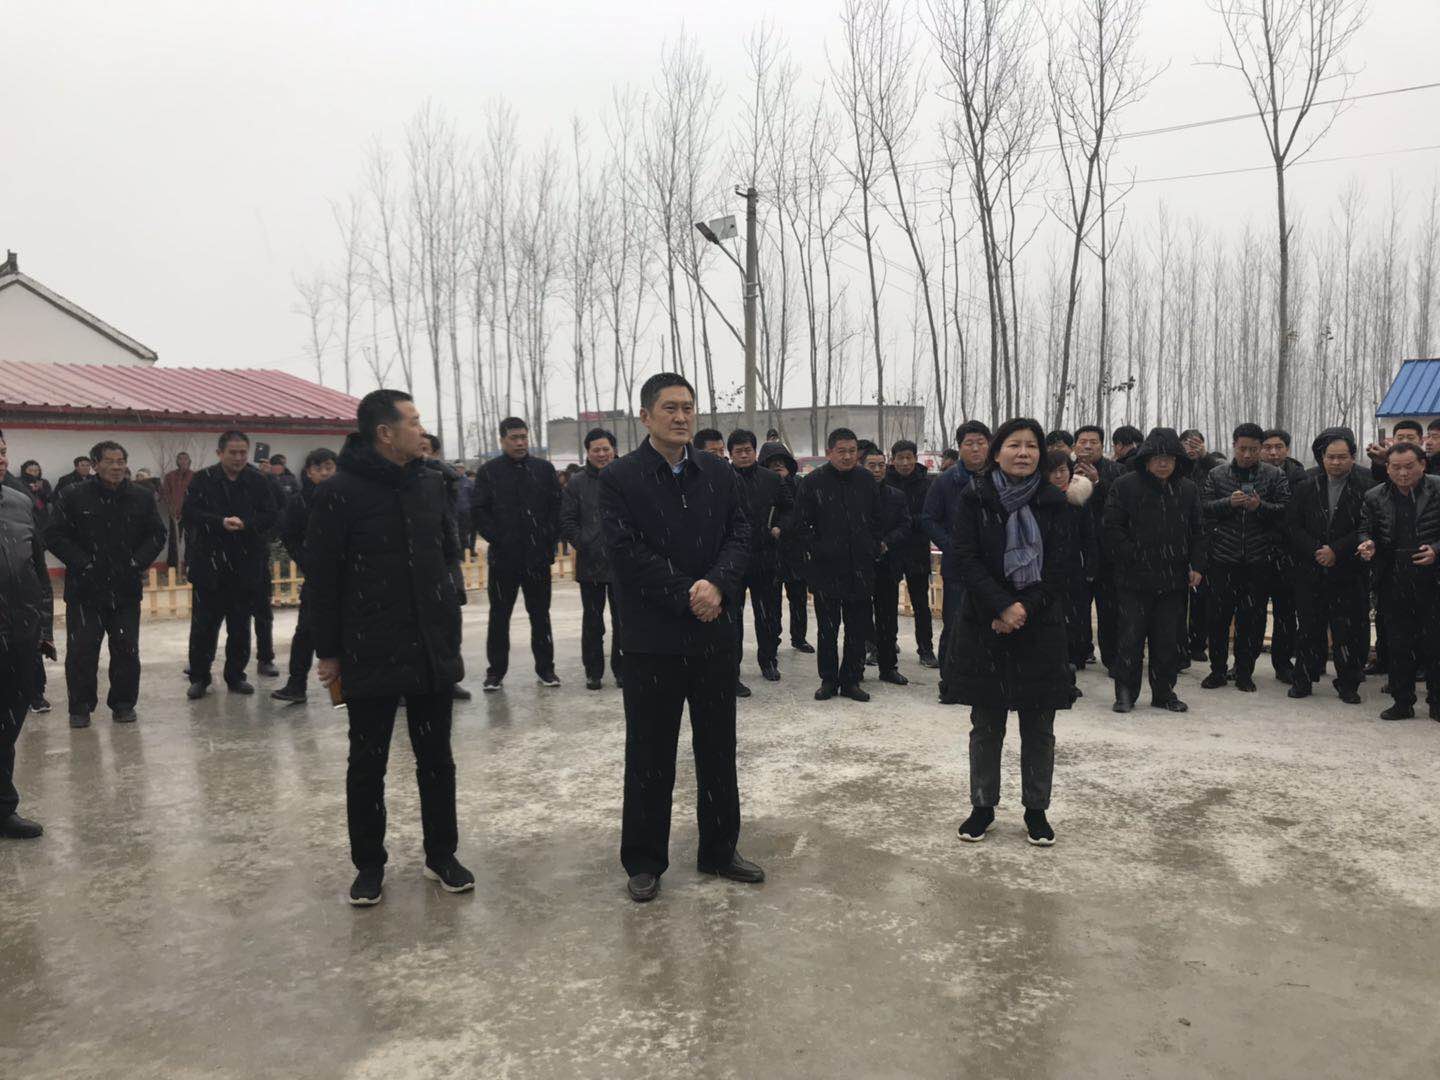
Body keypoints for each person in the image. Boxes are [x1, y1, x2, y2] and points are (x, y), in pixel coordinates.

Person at [305, 390, 472, 905]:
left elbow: (447, 554)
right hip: (370, 646)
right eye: (413, 422)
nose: (422, 430)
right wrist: (328, 652)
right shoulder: (338, 492)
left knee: (436, 758)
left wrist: (448, 623)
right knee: (367, 762)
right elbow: (322, 580)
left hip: (430, 645)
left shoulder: (430, 482)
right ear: (385, 432)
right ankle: (369, 865)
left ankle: (441, 854)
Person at [599, 372, 760, 904]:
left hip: (713, 635)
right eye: (669, 407)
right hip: (652, 640)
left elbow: (741, 533)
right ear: (646, 416)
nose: (681, 416)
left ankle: (719, 850)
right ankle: (645, 860)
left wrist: (718, 584)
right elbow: (624, 552)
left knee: (717, 749)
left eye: (688, 407)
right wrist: (687, 592)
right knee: (650, 754)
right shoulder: (620, 477)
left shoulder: (717, 471)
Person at [950, 419, 1073, 848]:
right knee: (986, 724)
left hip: (1040, 628)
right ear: (997, 451)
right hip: (987, 626)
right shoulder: (975, 497)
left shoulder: (1054, 502)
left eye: (1032, 446)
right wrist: (1002, 605)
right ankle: (982, 806)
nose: (1023, 453)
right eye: (1014, 445)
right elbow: (965, 559)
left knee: (1039, 727)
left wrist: (1023, 609)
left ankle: (1036, 810)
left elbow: (1060, 568)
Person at [44, 441, 166, 728]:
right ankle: (80, 707)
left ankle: (123, 704)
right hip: (85, 590)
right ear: (95, 464)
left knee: (126, 650)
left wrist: (137, 562)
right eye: (109, 461)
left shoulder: (141, 496)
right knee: (82, 651)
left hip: (125, 589)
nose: (116, 467)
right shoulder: (73, 495)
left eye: (121, 461)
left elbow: (157, 535)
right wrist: (83, 563)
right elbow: (54, 535)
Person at [1103, 429, 1206, 714]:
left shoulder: (1187, 489)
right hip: (1133, 579)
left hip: (1173, 579)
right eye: (1158, 458)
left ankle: (1164, 692)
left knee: (1167, 641)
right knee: (1130, 639)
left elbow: (1198, 531)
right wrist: (1134, 555)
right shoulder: (1125, 486)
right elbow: (1112, 527)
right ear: (1146, 459)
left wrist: (1197, 565)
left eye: (1169, 458)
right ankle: (1125, 692)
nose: (1163, 463)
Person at [182, 430, 279, 698]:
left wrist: (247, 524)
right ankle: (200, 677)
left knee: (240, 626)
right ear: (220, 453)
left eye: (242, 453)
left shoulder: (257, 481)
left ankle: (236, 676)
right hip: (209, 563)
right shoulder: (203, 479)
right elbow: (189, 513)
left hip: (246, 563)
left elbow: (271, 515)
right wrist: (219, 522)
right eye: (232, 452)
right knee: (204, 626)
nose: (238, 458)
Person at [1198, 424, 1291, 693]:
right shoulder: (1217, 474)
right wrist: (1228, 503)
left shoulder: (1274, 475)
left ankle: (1244, 672)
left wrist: (1260, 507)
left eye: (1253, 449)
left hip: (1258, 560)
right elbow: (1204, 508)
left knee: (1251, 620)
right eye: (1242, 449)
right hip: (1222, 558)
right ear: (1233, 446)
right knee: (1218, 618)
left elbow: (1286, 510)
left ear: (1260, 448)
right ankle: (1217, 670)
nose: (1247, 455)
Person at [473, 417, 562, 691]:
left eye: (524, 437)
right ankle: (495, 672)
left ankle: (546, 669)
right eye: (514, 438)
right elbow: (479, 511)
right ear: (502, 440)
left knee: (540, 616)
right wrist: (500, 538)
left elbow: (556, 508)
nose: (520, 442)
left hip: (537, 558)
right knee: (499, 617)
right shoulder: (489, 472)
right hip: (504, 559)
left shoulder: (544, 470)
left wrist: (547, 541)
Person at [794, 428, 883, 702]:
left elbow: (877, 519)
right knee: (828, 629)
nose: (847, 457)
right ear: (829, 452)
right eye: (841, 451)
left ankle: (851, 680)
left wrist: (871, 546)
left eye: (852, 451)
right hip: (826, 569)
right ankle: (829, 680)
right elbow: (800, 524)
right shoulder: (813, 482)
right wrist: (819, 548)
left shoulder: (866, 480)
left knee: (857, 628)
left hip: (860, 568)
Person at [1285, 428, 1369, 704]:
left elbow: (1367, 527)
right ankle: (1303, 678)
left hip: (1349, 570)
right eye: (1330, 457)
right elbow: (1293, 526)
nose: (1335, 462)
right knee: (1309, 627)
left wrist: (1337, 550)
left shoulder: (1367, 486)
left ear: (1353, 457)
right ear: (1322, 458)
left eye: (1342, 457)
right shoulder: (1306, 486)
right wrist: (1317, 550)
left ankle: (1348, 682)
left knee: (1347, 630)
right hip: (1311, 568)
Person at [1358, 441, 1440, 722]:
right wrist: (1367, 544)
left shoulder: (1437, 489)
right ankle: (1402, 701)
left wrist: (1436, 550)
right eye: (1395, 467)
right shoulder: (1375, 496)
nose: (1402, 473)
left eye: (1409, 466)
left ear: (1423, 465)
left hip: (1432, 579)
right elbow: (1365, 529)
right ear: (1387, 468)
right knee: (1398, 644)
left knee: (1435, 643)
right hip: (1393, 578)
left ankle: (1437, 701)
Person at [0, 428, 56, 840]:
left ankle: (4, 807)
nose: (0, 459)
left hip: (19, 634)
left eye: (2, 451)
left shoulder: (18, 502)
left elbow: (37, 571)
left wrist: (44, 628)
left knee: (8, 725)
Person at [922, 421, 991, 701]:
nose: (975, 449)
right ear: (959, 447)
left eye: (981, 443)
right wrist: (952, 546)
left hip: (992, 566)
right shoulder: (946, 481)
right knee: (955, 624)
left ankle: (984, 680)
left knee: (989, 623)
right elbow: (928, 519)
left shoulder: (1000, 477)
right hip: (958, 566)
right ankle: (950, 682)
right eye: (969, 444)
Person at [270, 447, 338, 705]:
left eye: (329, 467)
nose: (325, 473)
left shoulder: (347, 497)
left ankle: (345, 692)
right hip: (317, 578)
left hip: (348, 577)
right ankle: (296, 684)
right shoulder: (299, 502)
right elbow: (289, 535)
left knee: (348, 635)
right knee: (306, 632)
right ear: (309, 472)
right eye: (318, 468)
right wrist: (306, 560)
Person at [727, 428, 791, 695]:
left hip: (765, 556)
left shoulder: (771, 479)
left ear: (755, 451)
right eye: (738, 451)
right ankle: (731, 670)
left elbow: (789, 508)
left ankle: (768, 660)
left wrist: (779, 527)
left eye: (748, 450)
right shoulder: (722, 479)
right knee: (731, 618)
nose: (744, 455)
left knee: (768, 615)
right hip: (732, 558)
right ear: (730, 454)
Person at [559, 427, 623, 691]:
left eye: (606, 449)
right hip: (590, 564)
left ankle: (622, 670)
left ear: (614, 450)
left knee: (623, 621)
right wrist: (583, 542)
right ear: (587, 452)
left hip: (622, 563)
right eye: (596, 450)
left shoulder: (625, 477)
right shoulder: (577, 483)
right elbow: (567, 519)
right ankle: (593, 672)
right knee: (593, 622)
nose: (601, 454)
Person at [419, 433, 472, 702]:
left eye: (425, 449)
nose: (420, 453)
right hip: (419, 560)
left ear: (436, 453)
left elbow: (452, 476)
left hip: (446, 557)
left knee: (450, 621)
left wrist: (425, 461)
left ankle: (450, 679)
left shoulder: (443, 478)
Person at [1042, 451, 1098, 678]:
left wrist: (1091, 566)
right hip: (1046, 568)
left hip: (1074, 568)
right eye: (1053, 471)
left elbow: (1089, 536)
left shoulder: (1079, 499)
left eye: (1062, 470)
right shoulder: (1040, 499)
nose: (1058, 476)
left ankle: (1075, 659)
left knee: (1076, 616)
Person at [863, 443, 913, 685]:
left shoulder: (896, 496)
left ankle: (888, 666)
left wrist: (886, 542)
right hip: (861, 565)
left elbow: (906, 525)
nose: (877, 470)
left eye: (881, 465)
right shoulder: (855, 494)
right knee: (860, 618)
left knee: (888, 620)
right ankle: (855, 666)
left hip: (888, 564)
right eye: (871, 465)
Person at [1258, 428, 1305, 684]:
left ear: (1287, 449)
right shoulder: (1250, 474)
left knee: (1285, 613)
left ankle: (1283, 663)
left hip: (1288, 554)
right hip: (1255, 552)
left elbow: (1293, 515)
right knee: (1251, 612)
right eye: (1268, 447)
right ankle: (1244, 663)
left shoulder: (1299, 477)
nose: (1273, 452)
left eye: (1279, 447)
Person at [885, 440, 937, 668]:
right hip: (891, 550)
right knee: (886, 603)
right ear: (893, 459)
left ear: (915, 458)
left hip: (917, 550)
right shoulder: (884, 482)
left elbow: (930, 515)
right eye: (900, 458)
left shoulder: (927, 483)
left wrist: (907, 522)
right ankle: (885, 646)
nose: (905, 463)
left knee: (921, 603)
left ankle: (926, 649)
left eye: (909, 458)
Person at [759, 441, 813, 653]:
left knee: (798, 598)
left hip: (795, 549)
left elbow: (803, 513)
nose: (777, 466)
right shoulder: (761, 486)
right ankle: (773, 637)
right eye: (772, 463)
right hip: (770, 551)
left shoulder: (799, 484)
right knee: (771, 601)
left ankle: (799, 637)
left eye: (781, 462)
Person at [161, 452, 196, 570]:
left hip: (191, 514)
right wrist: (171, 508)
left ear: (189, 461)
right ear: (177, 461)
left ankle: (190, 566)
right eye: (180, 459)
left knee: (191, 540)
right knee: (174, 540)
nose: (183, 461)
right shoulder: (170, 476)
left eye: (185, 459)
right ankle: (173, 566)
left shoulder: (195, 476)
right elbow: (166, 493)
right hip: (175, 513)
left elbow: (199, 494)